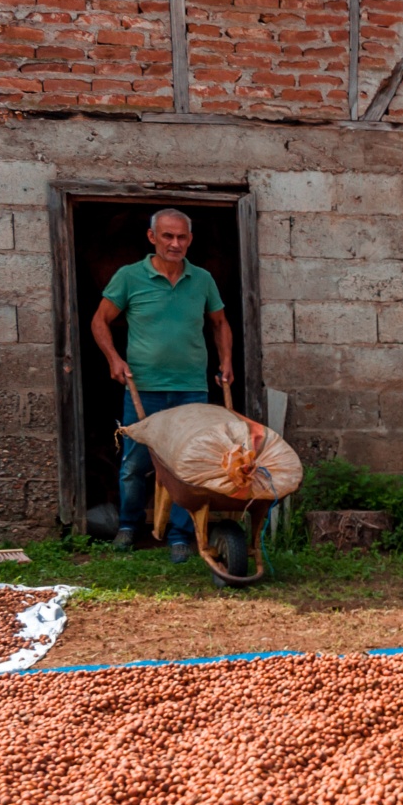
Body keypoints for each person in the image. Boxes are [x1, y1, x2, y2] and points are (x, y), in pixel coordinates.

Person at [91, 208, 233, 561]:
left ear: (190, 239)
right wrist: (114, 359)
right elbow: (100, 321)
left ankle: (180, 535)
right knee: (136, 463)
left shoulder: (202, 279)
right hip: (144, 387)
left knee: (187, 463)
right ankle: (129, 526)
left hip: (191, 389)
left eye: (182, 237)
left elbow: (220, 323)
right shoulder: (129, 277)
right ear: (152, 238)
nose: (175, 243)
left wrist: (226, 360)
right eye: (167, 236)